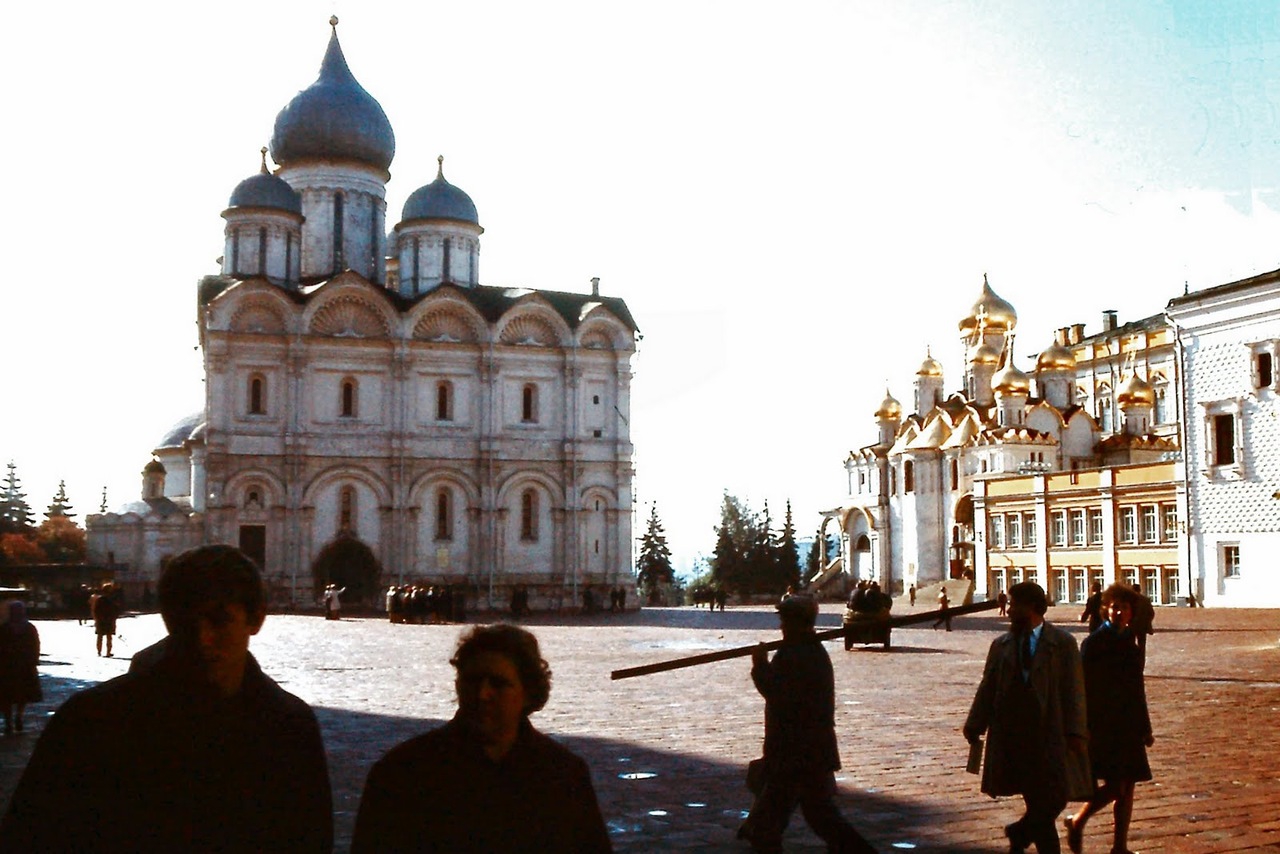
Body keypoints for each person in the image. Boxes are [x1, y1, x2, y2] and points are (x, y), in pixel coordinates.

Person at [0, 544, 333, 852]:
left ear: (256, 618)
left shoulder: (288, 727)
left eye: (219, 620)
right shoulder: (93, 721)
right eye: (186, 622)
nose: (203, 638)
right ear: (167, 618)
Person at [352, 624, 611, 853]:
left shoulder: (564, 776)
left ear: (528, 693)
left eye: (498, 684)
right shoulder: (403, 772)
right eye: (472, 681)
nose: (482, 694)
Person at [738, 594, 877, 854]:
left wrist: (759, 666)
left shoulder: (799, 653)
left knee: (797, 815)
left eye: (784, 620)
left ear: (794, 622)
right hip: (807, 748)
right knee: (816, 813)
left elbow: (779, 695)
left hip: (797, 749)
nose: (781, 626)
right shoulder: (804, 649)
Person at [964, 581, 1091, 854]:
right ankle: (1024, 839)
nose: (1008, 610)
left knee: (1054, 798)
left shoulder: (1063, 643)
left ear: (1031, 607)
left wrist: (1077, 731)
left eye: (1013, 604)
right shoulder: (1001, 645)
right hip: (1015, 735)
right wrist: (975, 723)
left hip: (1051, 734)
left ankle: (1019, 832)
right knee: (1038, 801)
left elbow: (1074, 690)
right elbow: (988, 686)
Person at [1063, 583, 1154, 854]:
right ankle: (1078, 820)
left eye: (1124, 608)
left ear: (1130, 613)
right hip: (1103, 724)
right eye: (1114, 607)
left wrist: (1145, 727)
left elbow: (1137, 689)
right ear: (1106, 610)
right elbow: (1080, 688)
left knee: (1128, 788)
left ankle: (1120, 846)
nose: (1118, 612)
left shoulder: (1131, 644)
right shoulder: (1093, 644)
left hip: (1128, 724)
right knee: (1116, 786)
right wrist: (1082, 725)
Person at [0, 602, 41, 736]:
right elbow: (36, 645)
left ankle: (8, 721)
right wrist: (34, 660)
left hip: (8, 666)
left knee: (7, 696)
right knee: (22, 694)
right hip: (24, 665)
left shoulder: (4, 628)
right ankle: (18, 716)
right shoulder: (29, 628)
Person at [1128, 584, 1155, 670]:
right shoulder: (1145, 600)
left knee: (1130, 646)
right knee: (1142, 648)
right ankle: (1141, 666)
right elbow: (1151, 613)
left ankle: (1132, 665)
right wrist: (1147, 621)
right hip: (1142, 627)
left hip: (1131, 627)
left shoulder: (1130, 600)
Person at [91, 582, 119, 657]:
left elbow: (95, 610)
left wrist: (96, 619)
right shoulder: (110, 599)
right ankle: (106, 652)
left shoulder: (100, 599)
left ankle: (101, 652)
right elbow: (115, 610)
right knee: (107, 637)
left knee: (102, 637)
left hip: (102, 620)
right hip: (107, 620)